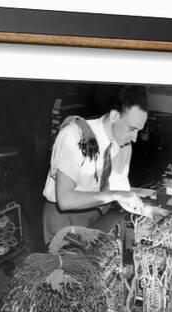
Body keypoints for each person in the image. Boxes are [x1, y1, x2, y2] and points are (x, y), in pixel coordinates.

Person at [42, 86, 147, 244]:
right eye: (132, 129)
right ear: (114, 116)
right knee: (72, 268)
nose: (135, 138)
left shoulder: (124, 144)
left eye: (138, 130)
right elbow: (65, 200)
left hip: (96, 215)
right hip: (65, 219)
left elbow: (120, 189)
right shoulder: (75, 136)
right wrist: (113, 195)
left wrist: (147, 210)